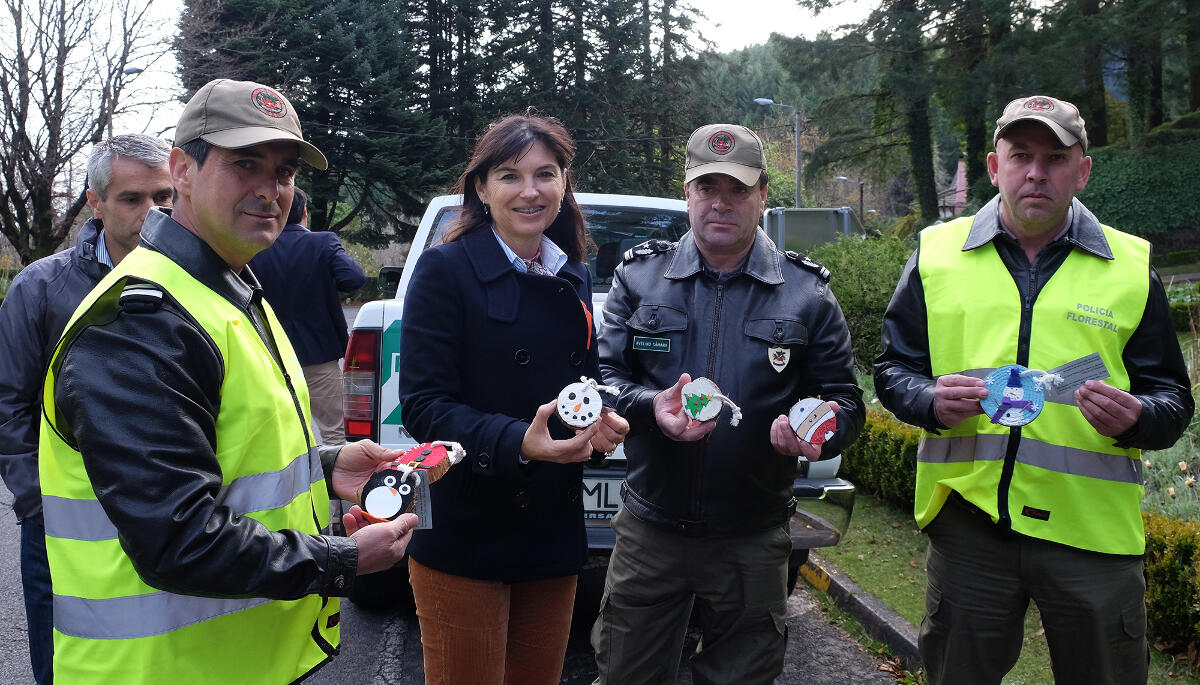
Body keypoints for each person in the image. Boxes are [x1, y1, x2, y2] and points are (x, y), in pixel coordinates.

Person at [36, 79, 418, 683]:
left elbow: (224, 453)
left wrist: (326, 464)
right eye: (245, 163)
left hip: (232, 663)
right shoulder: (142, 323)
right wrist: (341, 560)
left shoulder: (225, 289)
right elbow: (178, 539)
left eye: (286, 171)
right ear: (183, 170)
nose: (271, 189)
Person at [874, 95, 1195, 685]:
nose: (1036, 172)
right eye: (1021, 155)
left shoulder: (1130, 267)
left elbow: (1173, 399)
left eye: (1055, 157)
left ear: (1083, 170)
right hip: (972, 525)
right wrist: (927, 402)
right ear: (995, 167)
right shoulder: (936, 254)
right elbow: (893, 368)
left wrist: (1139, 417)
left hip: (1091, 534)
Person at [591, 124, 865, 684]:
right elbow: (604, 379)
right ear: (687, 192)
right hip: (651, 531)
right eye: (706, 186)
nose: (721, 202)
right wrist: (649, 409)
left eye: (737, 189)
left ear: (763, 193)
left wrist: (818, 431)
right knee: (626, 676)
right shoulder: (639, 278)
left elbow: (846, 401)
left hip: (753, 537)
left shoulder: (806, 293)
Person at [395, 113, 630, 685]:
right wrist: (516, 442)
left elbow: (585, 383)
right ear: (481, 187)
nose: (530, 191)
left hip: (550, 529)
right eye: (509, 175)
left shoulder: (570, 275)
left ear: (564, 182)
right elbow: (423, 404)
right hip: (466, 525)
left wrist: (600, 424)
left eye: (545, 174)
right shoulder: (444, 270)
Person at [0, 133, 173, 685]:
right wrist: (38, 501)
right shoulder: (42, 287)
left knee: (162, 663)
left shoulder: (195, 282)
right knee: (67, 666)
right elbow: (8, 402)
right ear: (95, 203)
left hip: (171, 520)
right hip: (63, 530)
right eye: (132, 198)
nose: (152, 212)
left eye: (164, 197)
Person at [248, 186, 366, 445]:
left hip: (270, 357)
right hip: (319, 355)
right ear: (304, 212)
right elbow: (353, 278)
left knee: (281, 434)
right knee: (334, 434)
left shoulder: (253, 247)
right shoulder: (322, 242)